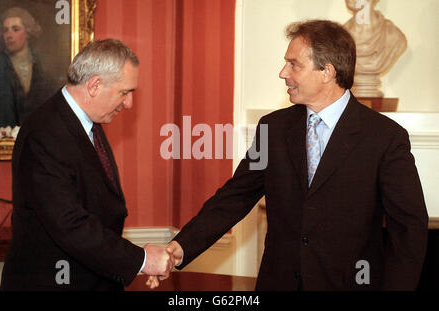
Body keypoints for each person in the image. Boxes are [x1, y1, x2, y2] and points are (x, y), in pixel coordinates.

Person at [148, 20, 428, 290]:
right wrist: (180, 247)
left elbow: (408, 229)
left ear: (327, 71)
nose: (283, 73)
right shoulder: (273, 128)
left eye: (294, 64)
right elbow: (235, 197)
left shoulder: (385, 137)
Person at [0, 39, 174, 291]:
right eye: (124, 92)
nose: (129, 104)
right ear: (94, 85)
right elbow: (69, 223)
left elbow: (102, 209)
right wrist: (142, 260)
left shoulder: (88, 123)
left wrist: (138, 260)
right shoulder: (44, 132)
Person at [0, 7, 55, 133]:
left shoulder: (43, 73)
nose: (9, 35)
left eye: (15, 29)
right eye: (5, 30)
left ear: (28, 33)